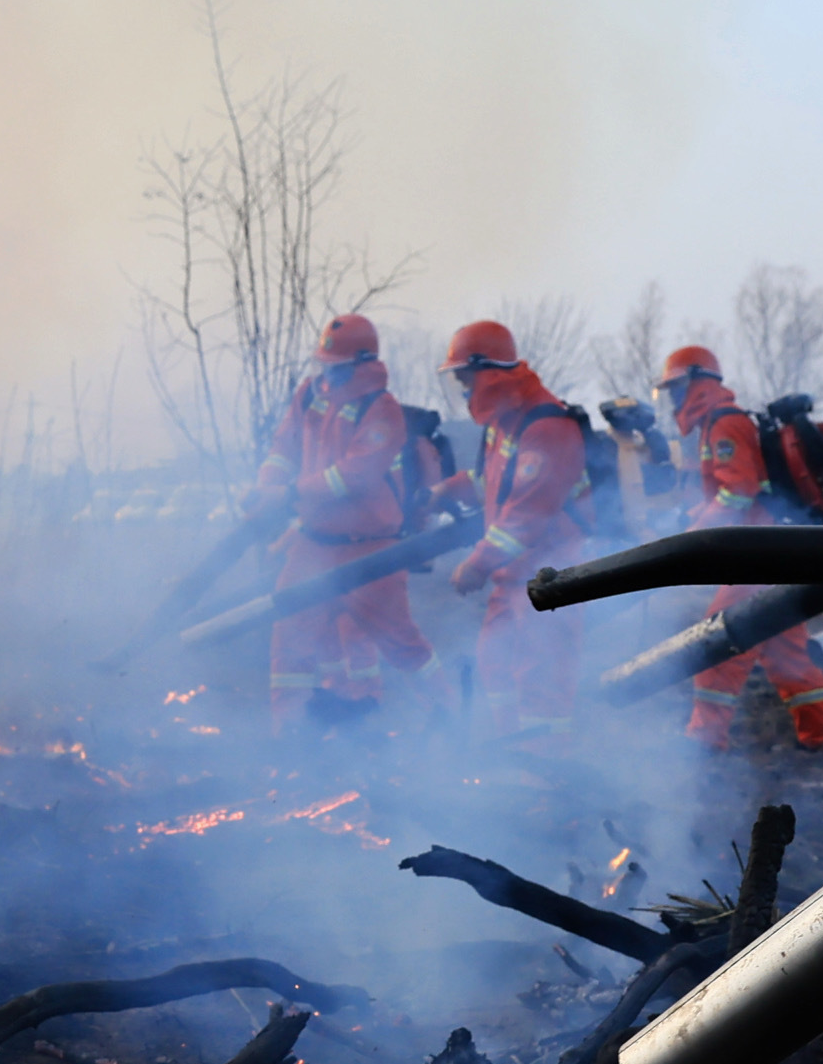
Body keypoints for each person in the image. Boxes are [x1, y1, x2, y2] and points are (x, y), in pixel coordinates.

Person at [245, 313, 435, 727]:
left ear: (362, 363)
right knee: (290, 640)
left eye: (337, 365)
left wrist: (291, 493)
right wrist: (267, 486)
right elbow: (283, 448)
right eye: (325, 364)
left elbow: (357, 475)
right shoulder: (310, 394)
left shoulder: (382, 409)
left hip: (370, 549)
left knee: (400, 643)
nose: (328, 373)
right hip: (313, 544)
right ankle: (289, 735)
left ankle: (447, 714)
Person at [656, 346, 823, 753]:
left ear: (694, 382)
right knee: (786, 653)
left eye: (673, 388)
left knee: (717, 641)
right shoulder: (718, 424)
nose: (671, 398)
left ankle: (704, 740)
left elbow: (738, 492)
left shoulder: (724, 423)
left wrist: (693, 536)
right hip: (764, 550)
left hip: (755, 554)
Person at [437, 320, 589, 745]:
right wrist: (443, 491)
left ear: (487, 373)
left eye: (465, 379)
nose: (465, 391)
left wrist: (476, 564)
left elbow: (527, 515)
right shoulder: (505, 421)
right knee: (495, 663)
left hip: (551, 575)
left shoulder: (547, 426)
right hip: (513, 573)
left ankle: (548, 774)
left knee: (540, 677)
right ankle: (514, 752)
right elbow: (494, 481)